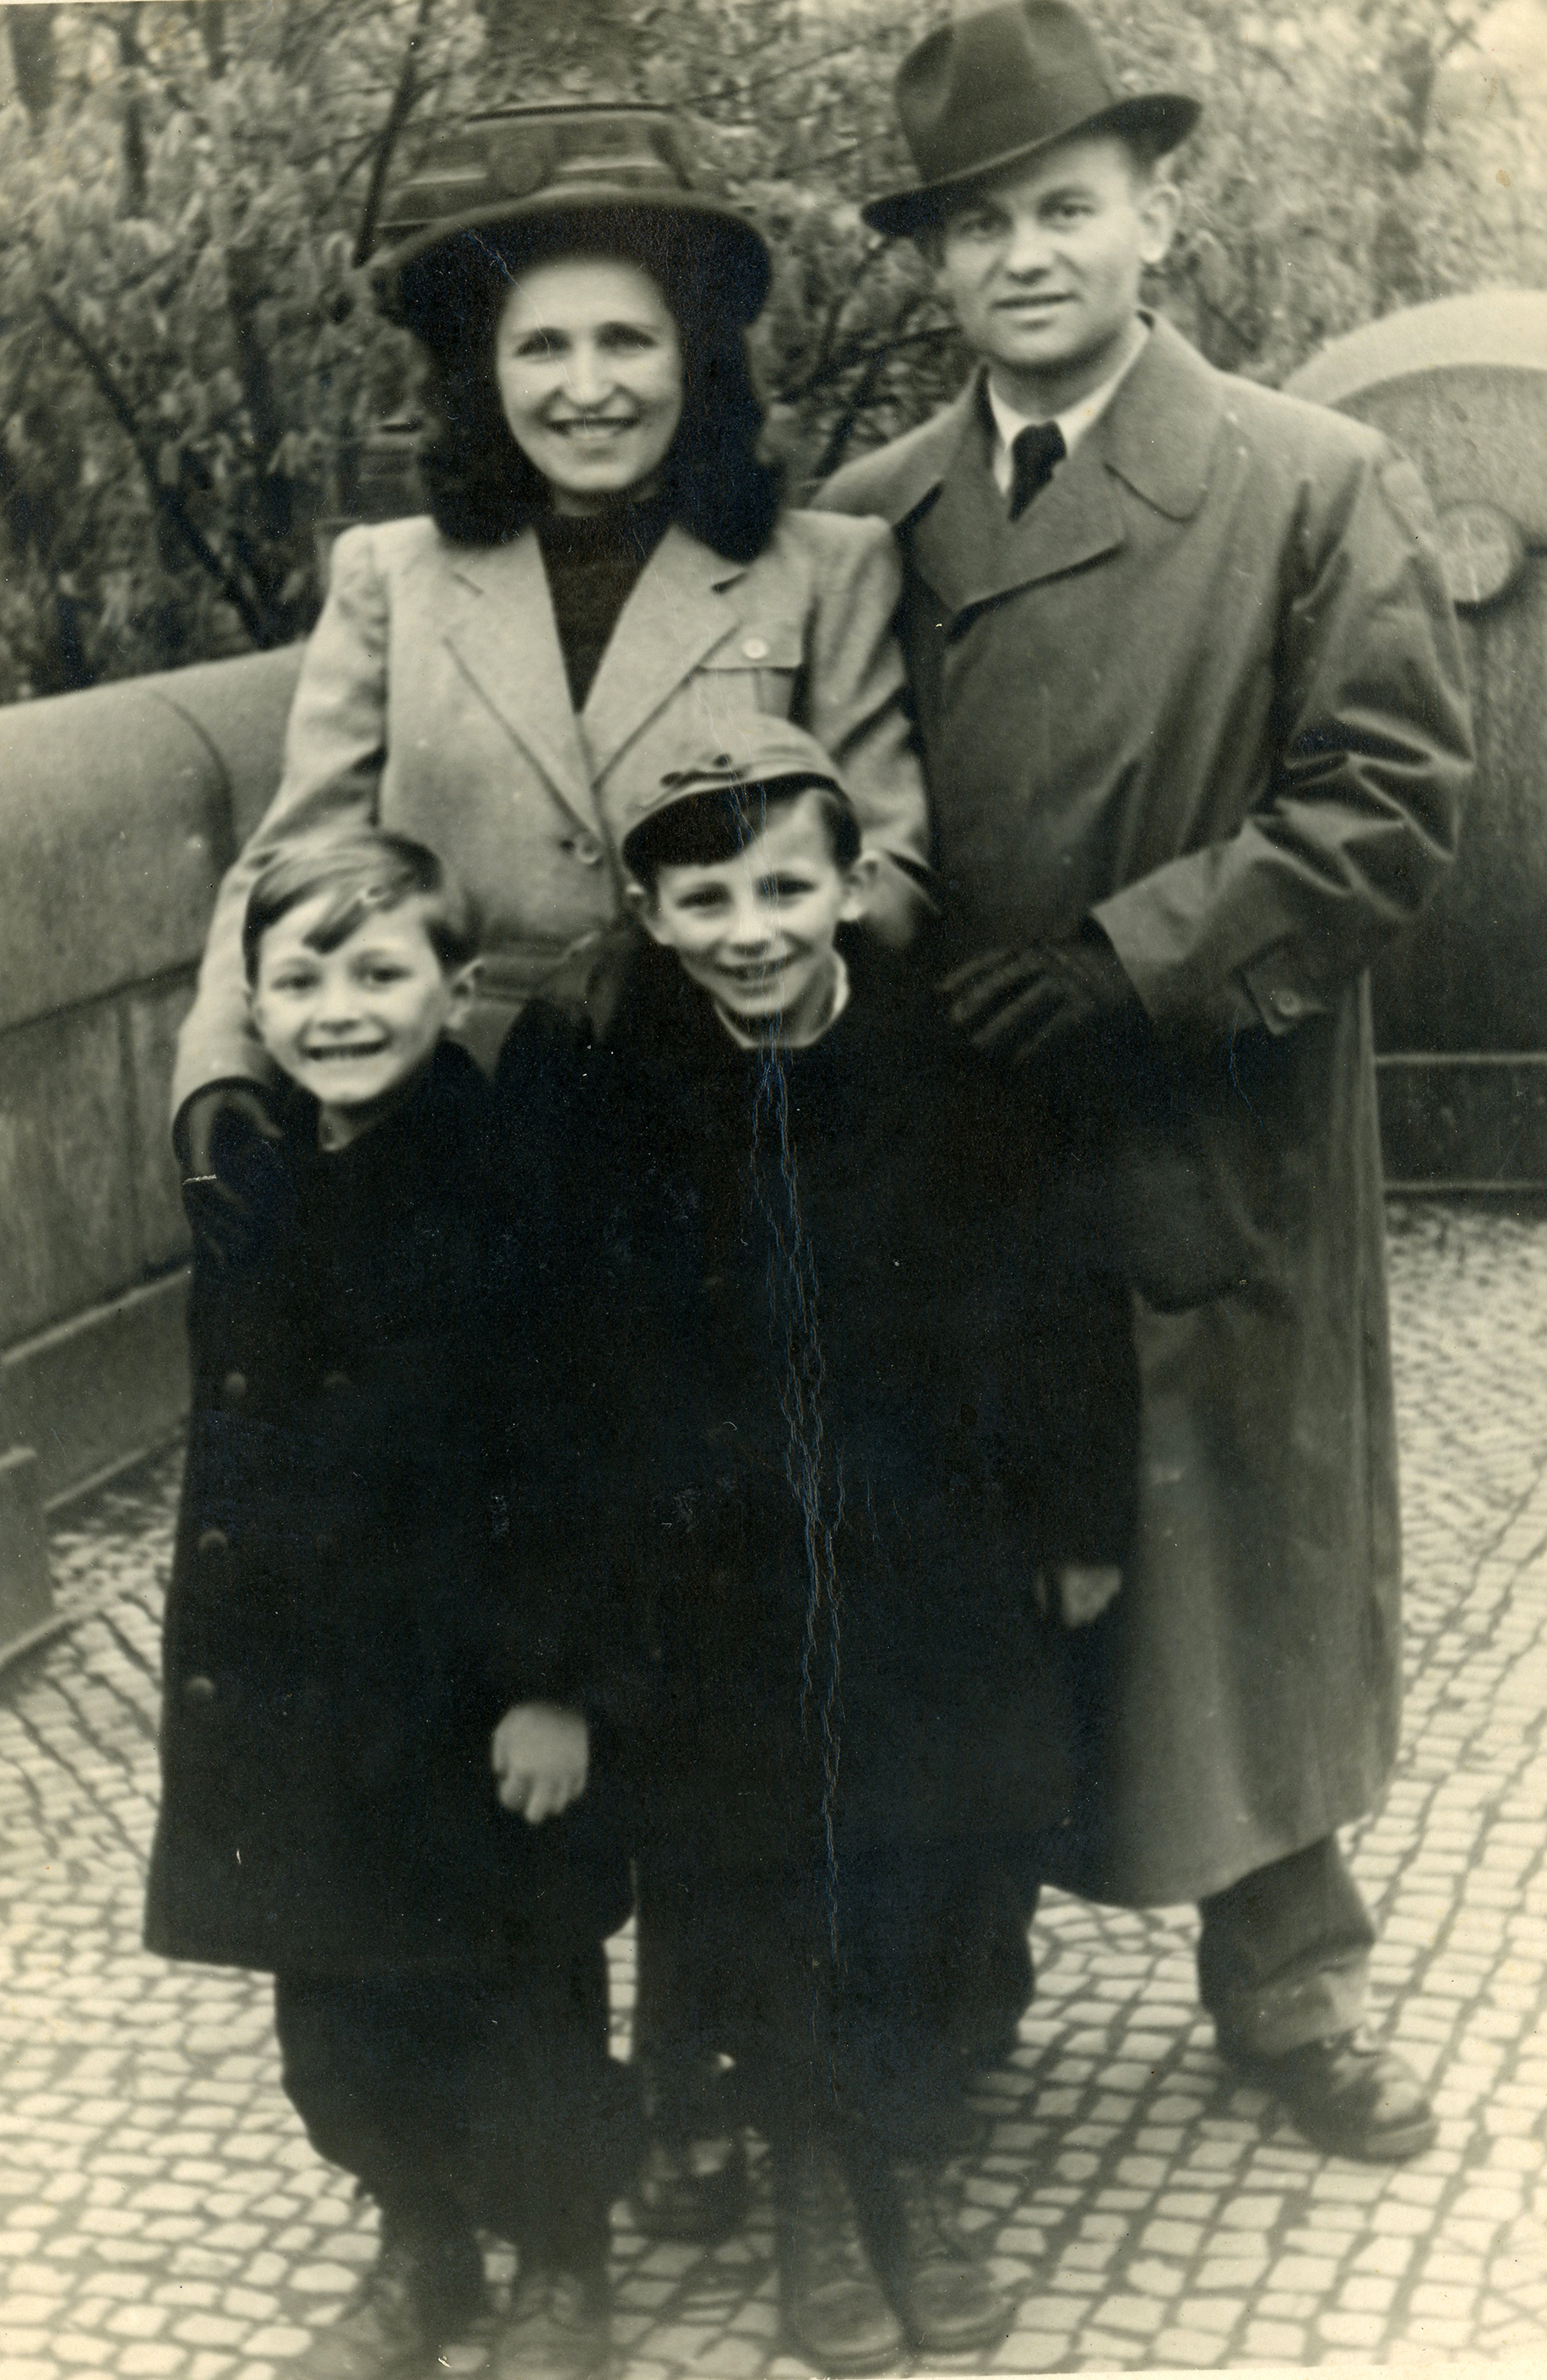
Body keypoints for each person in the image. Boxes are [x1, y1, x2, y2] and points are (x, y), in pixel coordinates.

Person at [167, 100, 931, 2248]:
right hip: (468, 1165)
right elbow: (295, 857)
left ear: (699, 361)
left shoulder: (821, 569)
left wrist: (720, 957)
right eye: (539, 349)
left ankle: (721, 2071)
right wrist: (226, 1078)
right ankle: (498, 2123)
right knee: (486, 1617)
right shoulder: (394, 580)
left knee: (704, 1600)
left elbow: (893, 859)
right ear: (479, 377)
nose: (587, 386)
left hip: (706, 1158)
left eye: (627, 342)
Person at [819, 0, 1474, 2161]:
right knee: (973, 1552)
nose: (1023, 256)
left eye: (1065, 208)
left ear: (1153, 220)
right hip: (956, 1130)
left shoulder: (1308, 481)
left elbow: (1388, 799)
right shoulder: (868, 518)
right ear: (933, 262)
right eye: (977, 224)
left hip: (1209, 1118)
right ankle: (954, 1981)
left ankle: (1289, 1988)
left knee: (1239, 1558)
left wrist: (1131, 958)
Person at [502, 718, 1140, 2372]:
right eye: (705, 900)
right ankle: (805, 2171)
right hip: (720, 1576)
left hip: (931, 1548)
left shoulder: (959, 1062)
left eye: (786, 888)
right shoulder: (609, 1088)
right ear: (648, 916)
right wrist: (579, 1630)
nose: (751, 932)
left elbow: (1066, 1298)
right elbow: (556, 1365)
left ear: (854, 885)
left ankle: (908, 2157)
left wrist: (1076, 1518)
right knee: (758, 1863)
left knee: (948, 1848)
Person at [145, 828, 635, 2380]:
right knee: (338, 2009)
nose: (339, 1010)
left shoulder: (513, 1177)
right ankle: (420, 2240)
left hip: (467, 1689)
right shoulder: (259, 1174)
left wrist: (555, 1683)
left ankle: (561, 2255)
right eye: (300, 980)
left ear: (456, 983)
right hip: (309, 1686)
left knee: (515, 1991)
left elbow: (571, 1445)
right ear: (255, 1002)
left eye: (378, 972)